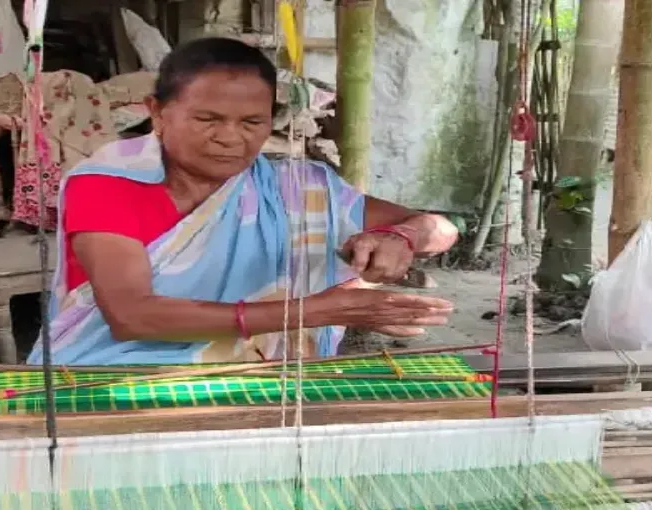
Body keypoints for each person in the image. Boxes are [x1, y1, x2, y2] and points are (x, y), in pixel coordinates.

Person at [30, 37, 459, 366]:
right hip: (112, 381)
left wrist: (401, 236)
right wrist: (315, 312)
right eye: (207, 119)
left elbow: (439, 229)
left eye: (252, 122)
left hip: (263, 386)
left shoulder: (297, 186)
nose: (230, 138)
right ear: (157, 113)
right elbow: (133, 317)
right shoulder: (108, 182)